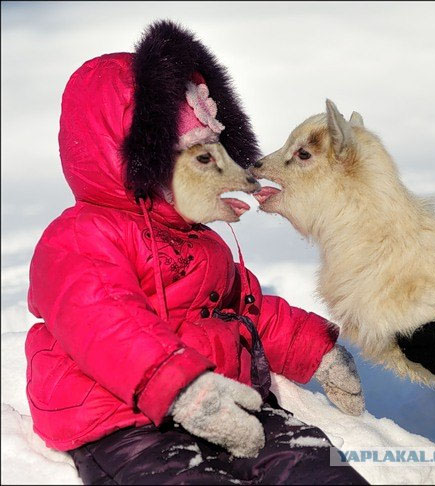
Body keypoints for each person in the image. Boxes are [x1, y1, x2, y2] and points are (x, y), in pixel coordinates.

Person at [25, 20, 368, 485]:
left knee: (309, 465)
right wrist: (184, 390)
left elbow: (244, 310)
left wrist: (314, 348)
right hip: (124, 418)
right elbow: (103, 321)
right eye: (196, 157)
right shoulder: (81, 237)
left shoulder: (200, 241)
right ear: (140, 158)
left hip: (226, 400)